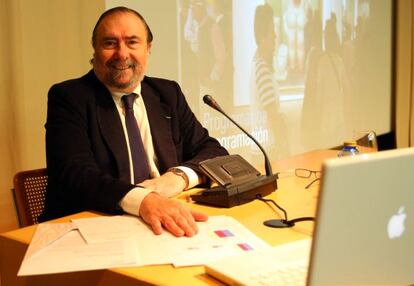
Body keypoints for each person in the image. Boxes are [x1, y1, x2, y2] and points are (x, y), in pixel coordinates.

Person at [39, 6, 228, 237]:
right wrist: (144, 200)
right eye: (110, 43)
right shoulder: (69, 97)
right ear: (95, 49)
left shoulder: (167, 93)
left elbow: (214, 151)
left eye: (132, 42)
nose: (122, 54)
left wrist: (177, 178)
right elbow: (76, 174)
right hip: (92, 228)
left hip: (164, 224)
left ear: (148, 48)